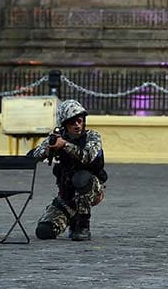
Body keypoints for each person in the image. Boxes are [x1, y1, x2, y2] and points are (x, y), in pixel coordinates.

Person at [30, 99, 107, 241]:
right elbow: (34, 155)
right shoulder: (57, 137)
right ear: (65, 125)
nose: (77, 125)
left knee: (81, 178)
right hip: (67, 194)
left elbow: (86, 157)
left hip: (91, 188)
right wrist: (48, 149)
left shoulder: (92, 137)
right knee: (44, 232)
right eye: (72, 122)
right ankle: (72, 218)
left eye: (79, 120)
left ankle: (83, 225)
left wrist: (65, 145)